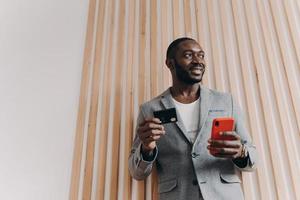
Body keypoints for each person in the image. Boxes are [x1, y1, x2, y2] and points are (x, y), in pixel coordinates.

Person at [128, 37, 257, 200]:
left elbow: (253, 158)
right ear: (170, 63)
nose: (198, 61)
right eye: (189, 55)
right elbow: (136, 172)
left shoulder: (226, 101)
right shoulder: (150, 109)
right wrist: (146, 148)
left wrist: (241, 152)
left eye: (201, 55)